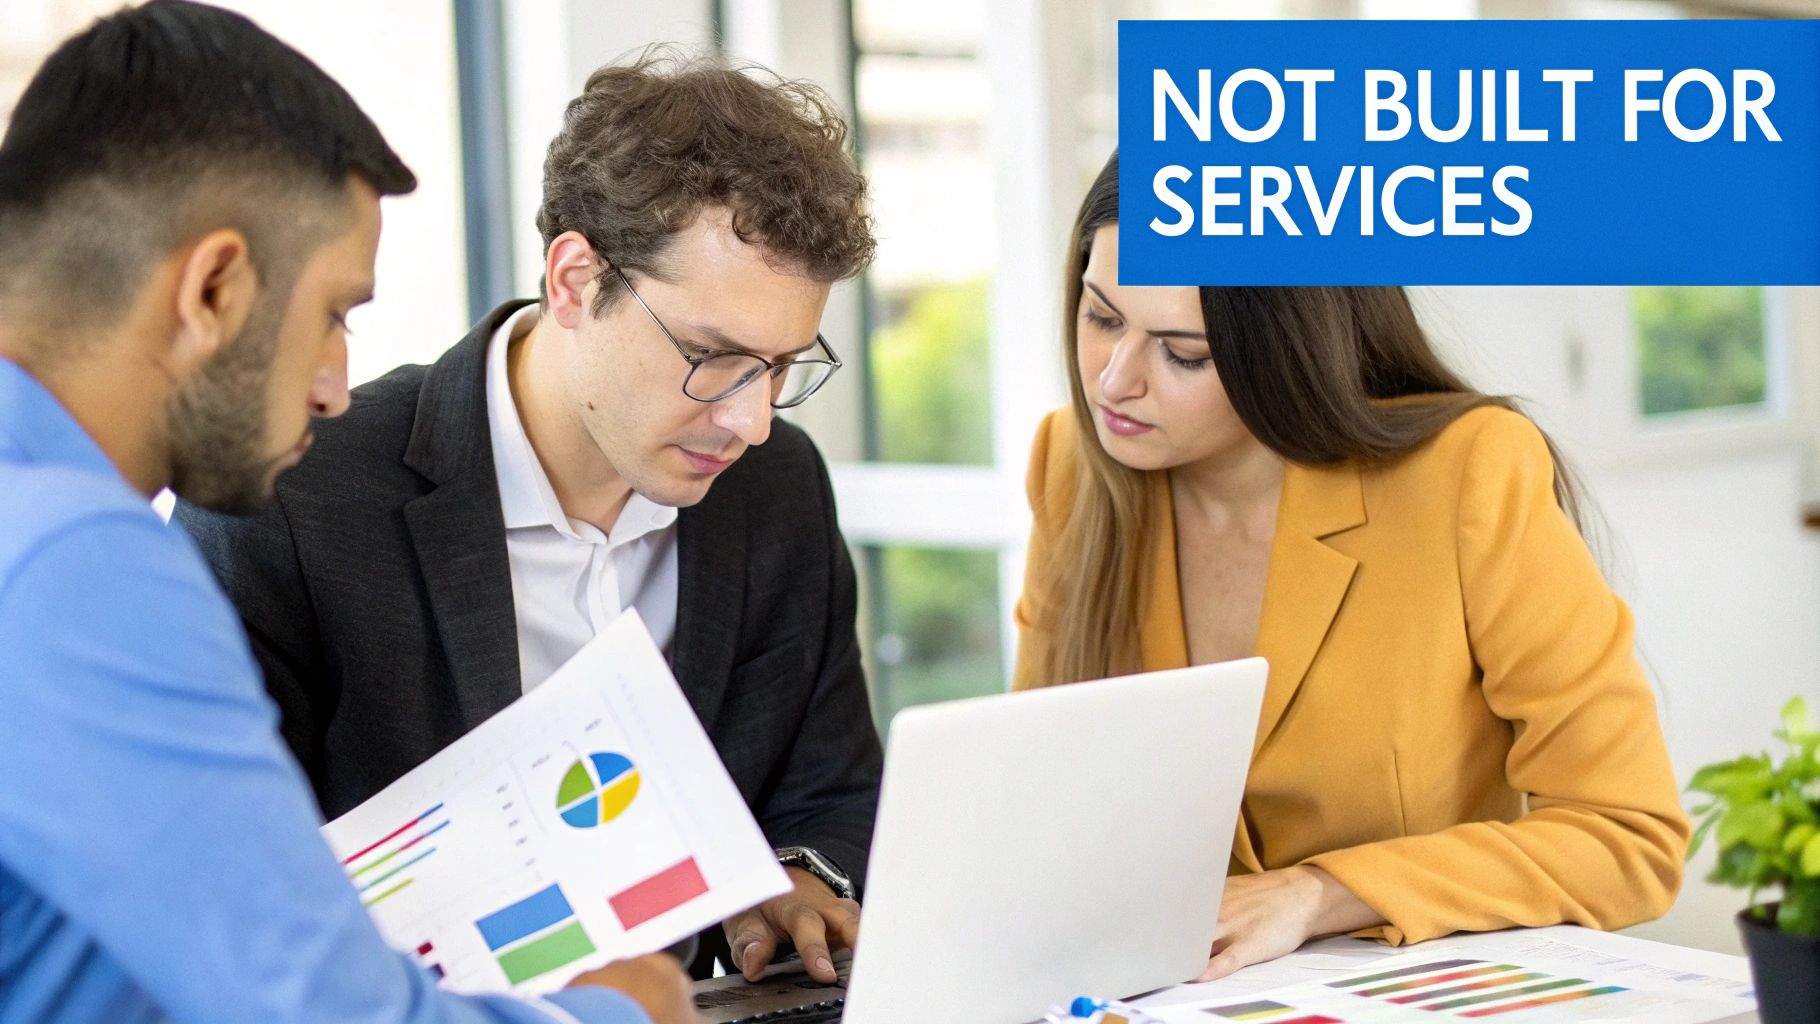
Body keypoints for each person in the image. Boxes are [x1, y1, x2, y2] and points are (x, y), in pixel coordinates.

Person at [0, 3, 697, 1022]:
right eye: (332, 313)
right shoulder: (75, 563)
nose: (334, 386)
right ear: (214, 288)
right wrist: (619, 1013)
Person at [174, 51, 881, 984]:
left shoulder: (776, 489)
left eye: (785, 366)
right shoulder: (296, 497)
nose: (751, 420)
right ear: (575, 279)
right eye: (714, 357)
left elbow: (830, 786)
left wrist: (799, 876)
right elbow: (217, 882)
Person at [1012, 152, 1691, 980]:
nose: (1113, 382)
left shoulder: (1466, 473)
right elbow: (1040, 803)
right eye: (1100, 316)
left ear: (1288, 349)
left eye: (1183, 353)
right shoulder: (1071, 469)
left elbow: (1627, 836)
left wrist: (1319, 892)